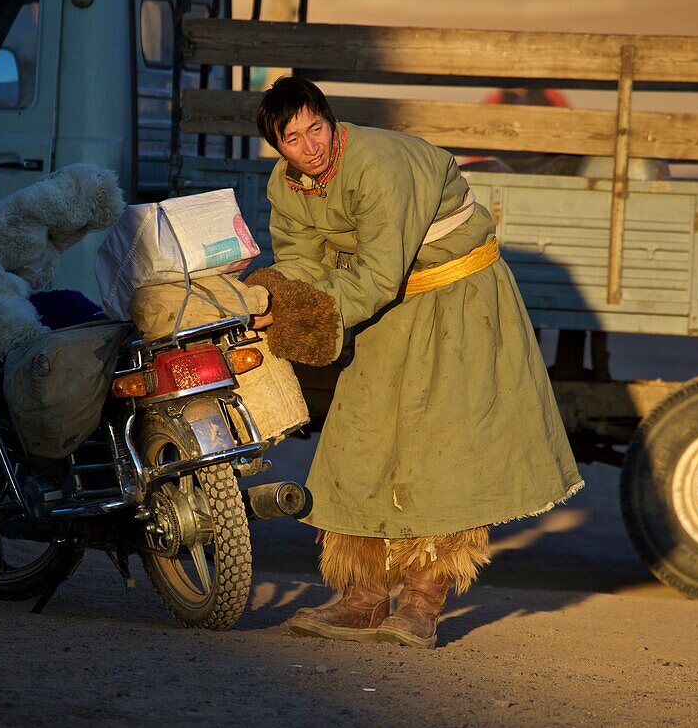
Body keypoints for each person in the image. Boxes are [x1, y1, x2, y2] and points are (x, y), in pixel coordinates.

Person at [245, 77, 584, 649]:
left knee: (444, 451)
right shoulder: (288, 185)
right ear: (278, 148)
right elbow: (301, 260)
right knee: (360, 442)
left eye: (317, 128)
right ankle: (362, 598)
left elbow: (377, 272)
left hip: (458, 299)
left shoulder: (378, 165)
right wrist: (274, 299)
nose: (311, 146)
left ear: (332, 121)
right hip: (386, 307)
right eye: (293, 138)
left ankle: (422, 604)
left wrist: (321, 317)